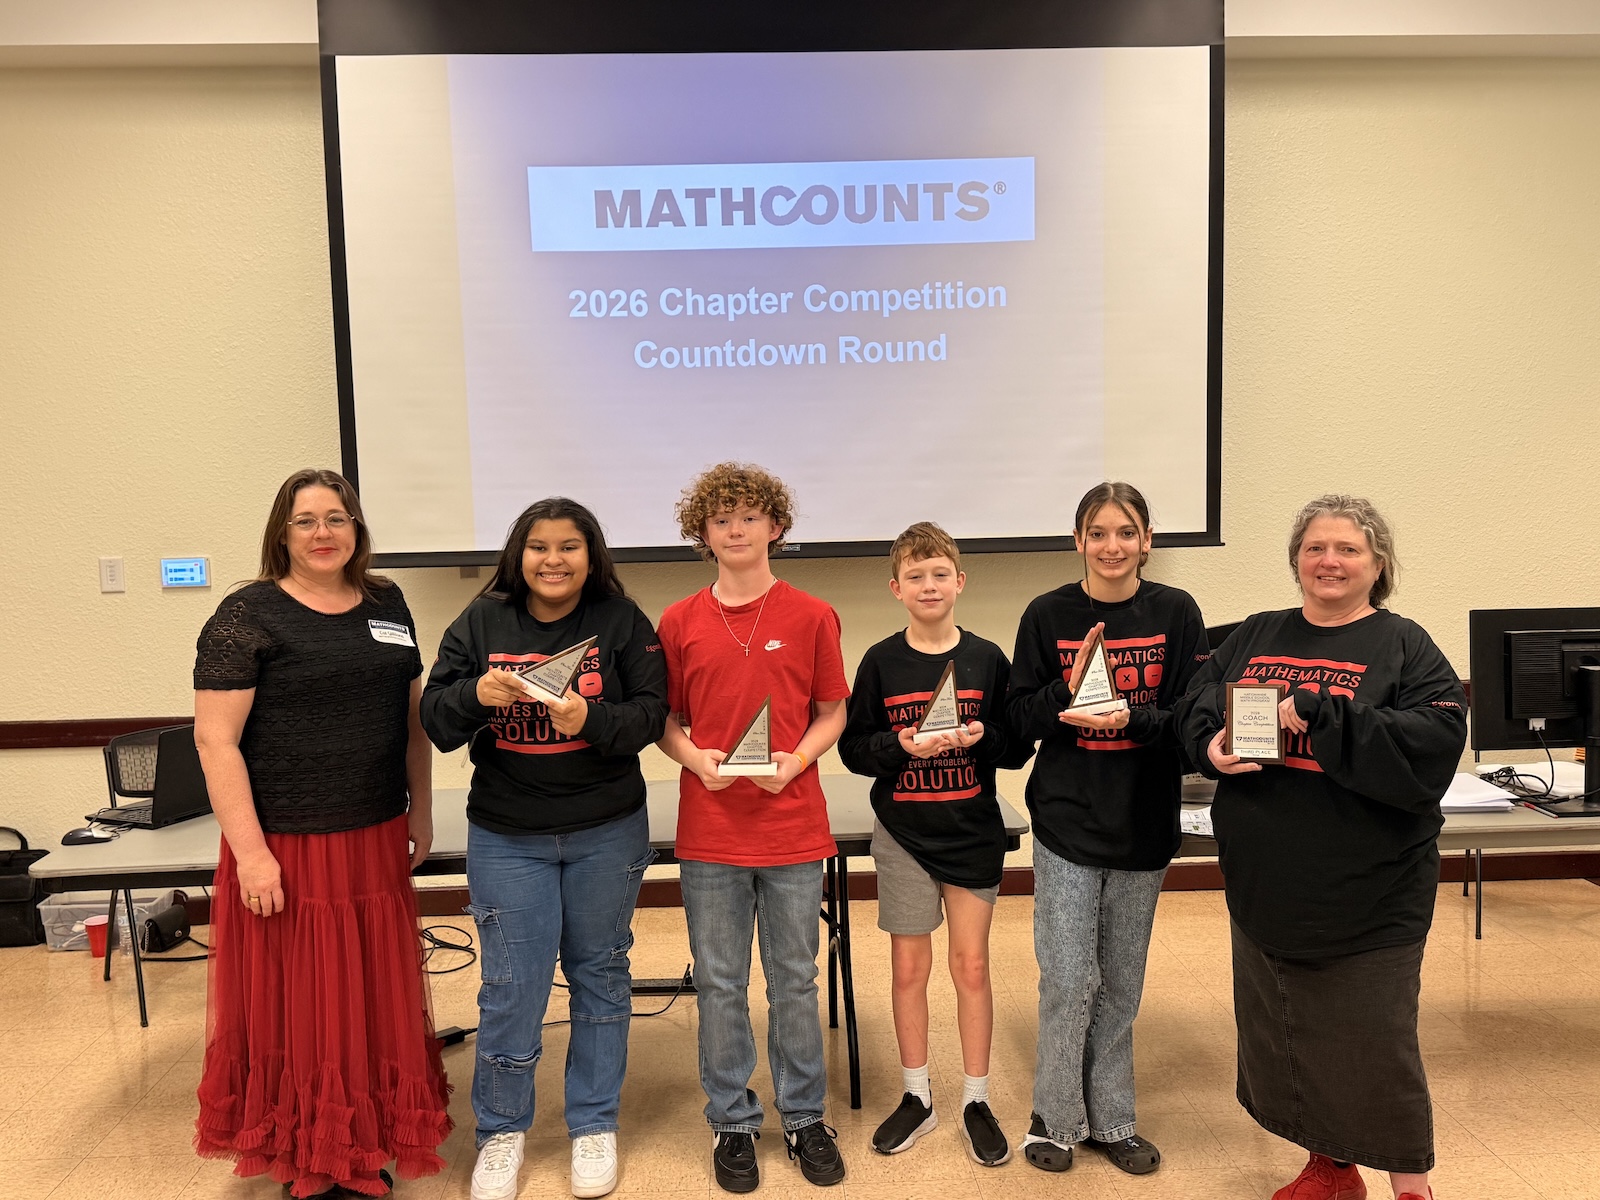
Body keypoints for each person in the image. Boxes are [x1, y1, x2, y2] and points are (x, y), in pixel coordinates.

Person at [1175, 495, 1466, 1200]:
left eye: (1347, 550)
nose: (1328, 561)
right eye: (1314, 548)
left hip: (1371, 890)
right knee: (1289, 1031)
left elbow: (1433, 743)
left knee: (1374, 1044)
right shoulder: (1257, 632)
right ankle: (1330, 1168)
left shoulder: (1404, 645)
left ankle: (1410, 1186)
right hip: (1268, 882)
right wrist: (1210, 745)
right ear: (1296, 560)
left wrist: (1324, 713)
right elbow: (1198, 698)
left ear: (1378, 564)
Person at [192, 468, 451, 1199]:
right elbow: (216, 744)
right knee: (303, 1001)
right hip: (287, 843)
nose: (323, 533)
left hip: (373, 831)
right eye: (306, 520)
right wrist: (251, 857)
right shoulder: (247, 616)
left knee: (367, 997)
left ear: (357, 528)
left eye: (336, 518)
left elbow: (411, 721)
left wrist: (421, 811)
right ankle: (312, 1159)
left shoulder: (387, 601)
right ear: (282, 532)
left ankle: (363, 1140)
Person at [420, 498, 668, 1200]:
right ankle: (502, 1131)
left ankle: (593, 1123)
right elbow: (435, 717)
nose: (552, 560)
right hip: (506, 834)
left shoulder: (620, 621)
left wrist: (590, 716)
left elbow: (651, 714)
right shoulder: (482, 620)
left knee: (600, 975)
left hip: (606, 829)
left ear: (592, 556)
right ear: (516, 554)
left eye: (568, 547)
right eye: (538, 546)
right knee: (510, 986)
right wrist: (477, 694)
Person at [655, 462, 851, 1193]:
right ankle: (733, 1123)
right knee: (722, 982)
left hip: (793, 828)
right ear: (702, 535)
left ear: (776, 526)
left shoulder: (811, 614)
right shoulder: (678, 622)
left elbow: (833, 710)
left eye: (748, 516)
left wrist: (797, 759)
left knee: (795, 981)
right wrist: (694, 760)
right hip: (710, 831)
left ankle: (803, 1118)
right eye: (720, 519)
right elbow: (665, 722)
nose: (735, 529)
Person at [1006, 482, 1208, 1176]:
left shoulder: (1176, 613)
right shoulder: (1047, 614)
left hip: (1144, 822)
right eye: (1098, 533)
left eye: (1126, 532)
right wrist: (1067, 692)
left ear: (1148, 540)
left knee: (1121, 982)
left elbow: (1191, 720)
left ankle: (1113, 1118)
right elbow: (1018, 721)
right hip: (1066, 819)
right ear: (1078, 542)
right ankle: (1055, 1119)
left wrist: (1133, 719)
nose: (1112, 546)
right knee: (1068, 977)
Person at [839, 522, 1031, 1167]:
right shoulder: (880, 662)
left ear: (960, 582)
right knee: (908, 970)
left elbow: (1018, 743)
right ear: (897, 588)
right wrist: (902, 746)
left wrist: (982, 738)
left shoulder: (986, 658)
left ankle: (977, 1098)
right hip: (903, 838)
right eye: (915, 576)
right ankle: (918, 1095)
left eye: (939, 574)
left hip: (971, 834)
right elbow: (854, 749)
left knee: (971, 968)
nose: (929, 585)